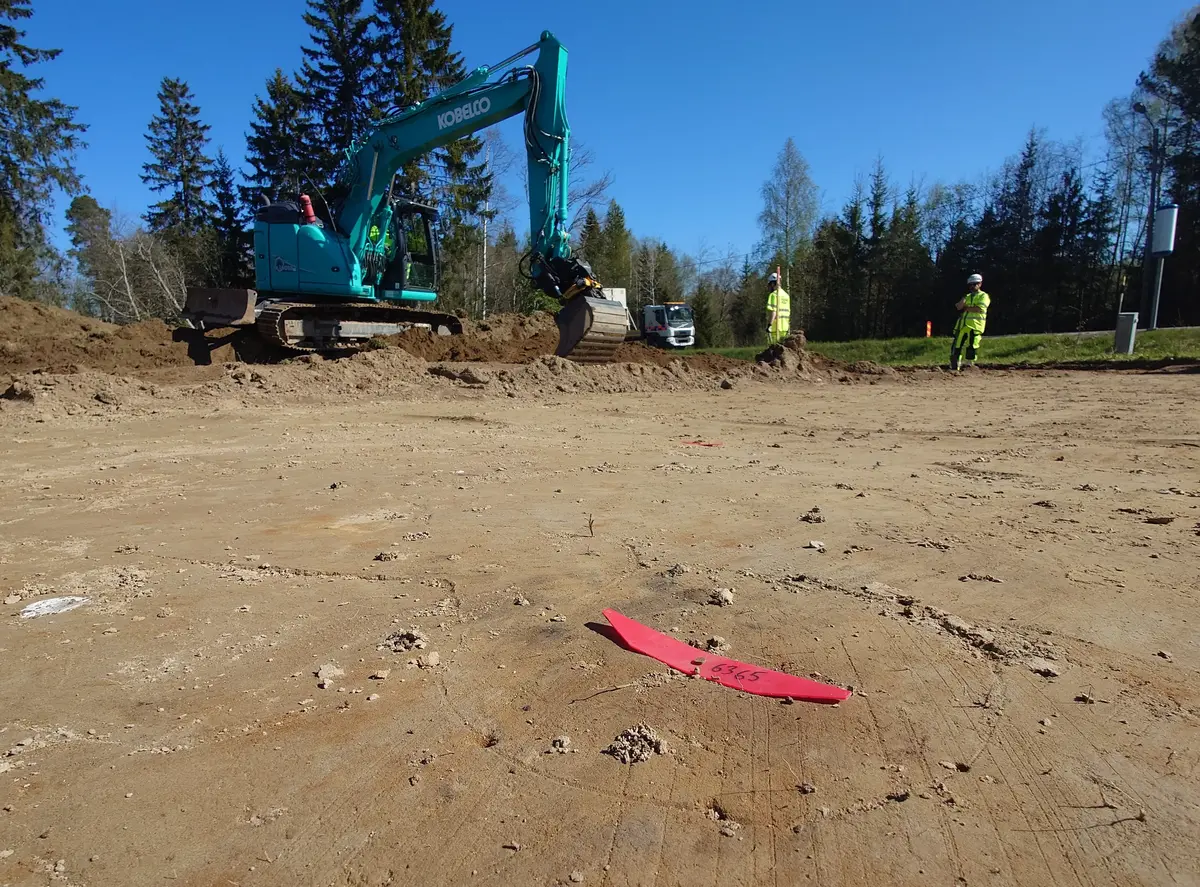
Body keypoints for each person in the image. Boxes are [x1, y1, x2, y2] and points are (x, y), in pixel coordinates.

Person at [950, 273, 991, 370]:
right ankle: (955, 365)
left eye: (974, 284)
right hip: (962, 325)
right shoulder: (967, 296)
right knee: (957, 345)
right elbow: (958, 307)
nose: (972, 286)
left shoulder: (983, 296)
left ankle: (970, 365)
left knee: (972, 345)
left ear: (980, 284)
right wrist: (964, 302)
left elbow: (979, 309)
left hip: (975, 325)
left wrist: (966, 308)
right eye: (970, 285)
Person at [766, 272, 791, 344]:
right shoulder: (786, 295)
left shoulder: (773, 295)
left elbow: (773, 312)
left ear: (773, 284)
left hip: (775, 328)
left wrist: (769, 325)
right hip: (785, 327)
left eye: (770, 285)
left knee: (774, 350)